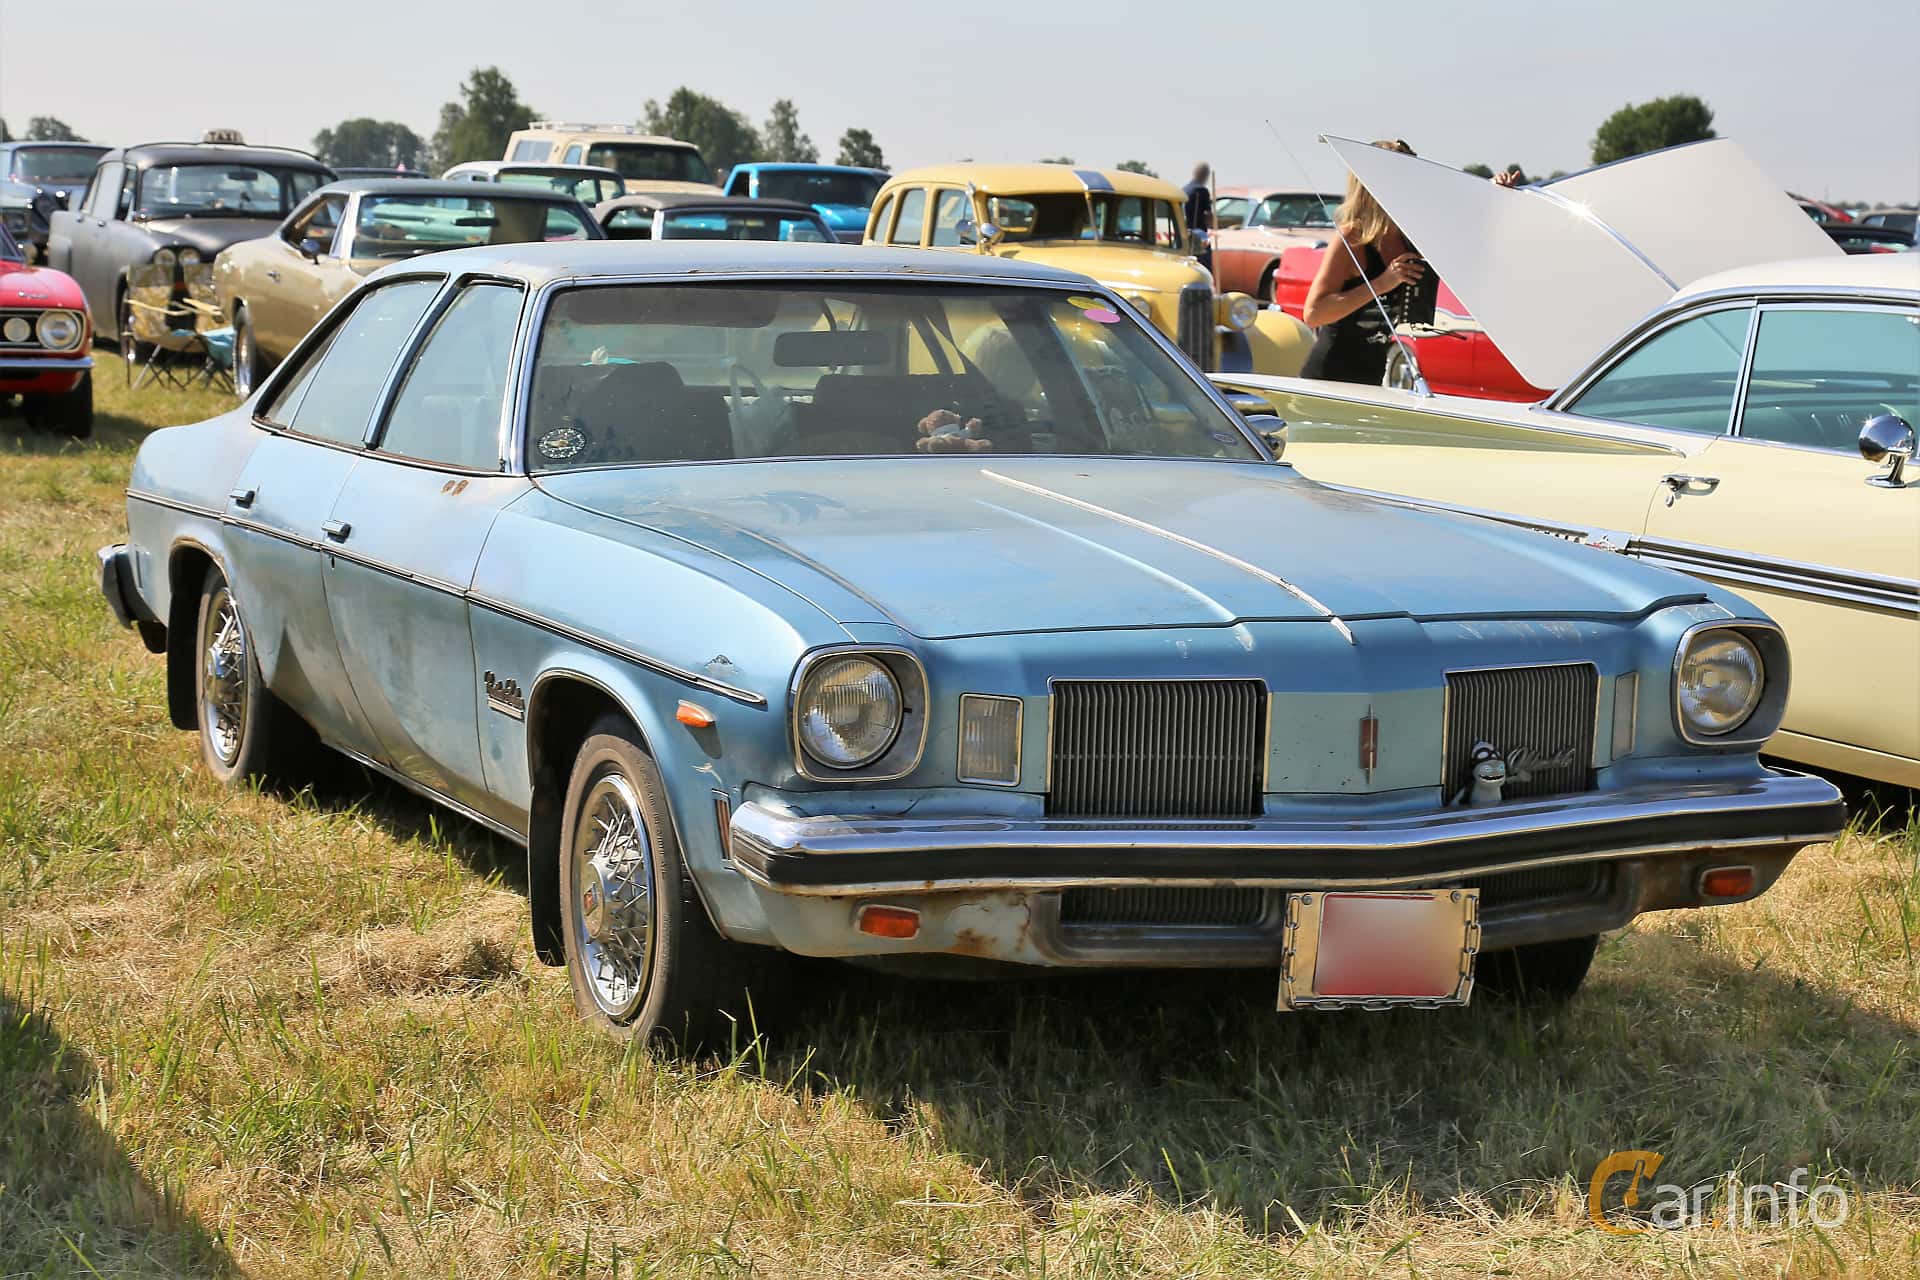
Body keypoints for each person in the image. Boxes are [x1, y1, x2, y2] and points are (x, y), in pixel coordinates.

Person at [1298, 139, 1426, 385]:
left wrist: (1495, 191)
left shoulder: (1410, 238)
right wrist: (1382, 284)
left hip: (1373, 377)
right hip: (1329, 378)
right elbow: (1314, 313)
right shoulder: (1352, 238)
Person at [1182, 162, 1213, 267]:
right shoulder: (1201, 190)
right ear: (1206, 176)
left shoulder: (1184, 189)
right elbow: (1208, 215)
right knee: (1205, 266)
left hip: (1184, 233)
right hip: (1198, 234)